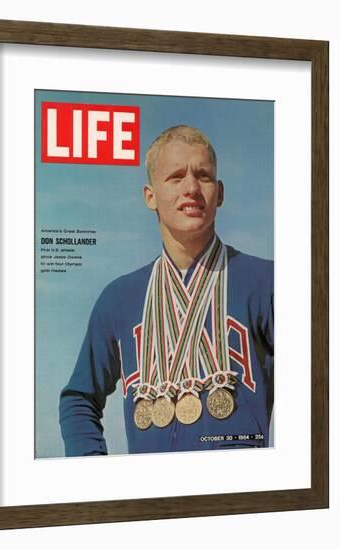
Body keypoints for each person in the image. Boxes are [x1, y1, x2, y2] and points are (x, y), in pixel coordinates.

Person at [59, 125, 274, 456]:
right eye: (175, 176)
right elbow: (79, 398)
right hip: (152, 497)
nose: (191, 187)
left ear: (219, 191)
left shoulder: (266, 281)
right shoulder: (118, 298)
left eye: (202, 176)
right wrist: (92, 475)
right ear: (150, 196)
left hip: (238, 494)